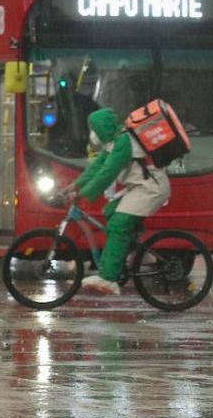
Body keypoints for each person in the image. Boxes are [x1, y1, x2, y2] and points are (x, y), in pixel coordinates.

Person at [60, 107, 170, 295]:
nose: (93, 134)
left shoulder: (124, 142)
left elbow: (107, 172)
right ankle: (138, 253)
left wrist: (82, 194)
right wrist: (75, 186)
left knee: (119, 224)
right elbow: (97, 166)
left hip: (150, 189)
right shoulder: (114, 142)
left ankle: (108, 278)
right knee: (111, 211)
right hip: (139, 187)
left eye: (94, 129)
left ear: (102, 128)